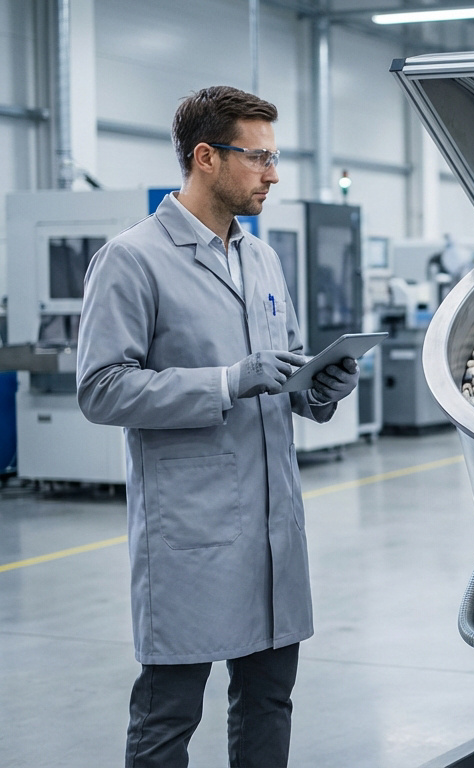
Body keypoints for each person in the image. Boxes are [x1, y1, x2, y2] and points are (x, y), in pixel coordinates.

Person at [76, 85, 359, 768]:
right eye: (258, 158)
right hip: (192, 531)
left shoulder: (260, 258)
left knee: (268, 700)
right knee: (169, 713)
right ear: (205, 157)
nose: (273, 174)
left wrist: (320, 391)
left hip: (272, 528)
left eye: (274, 157)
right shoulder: (133, 258)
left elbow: (281, 375)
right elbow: (100, 388)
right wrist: (227, 381)